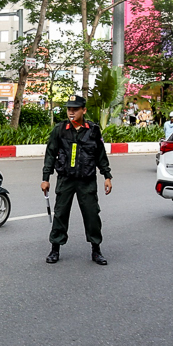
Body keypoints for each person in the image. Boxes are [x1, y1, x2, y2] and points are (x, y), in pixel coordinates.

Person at [40, 95, 113, 265]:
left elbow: (100, 155)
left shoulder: (93, 130)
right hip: (65, 179)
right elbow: (50, 154)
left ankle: (96, 250)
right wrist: (46, 178)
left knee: (92, 215)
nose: (71, 112)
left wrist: (107, 175)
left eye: (75, 109)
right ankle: (55, 249)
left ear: (83, 110)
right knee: (60, 214)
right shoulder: (60, 129)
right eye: (69, 109)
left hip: (86, 180)